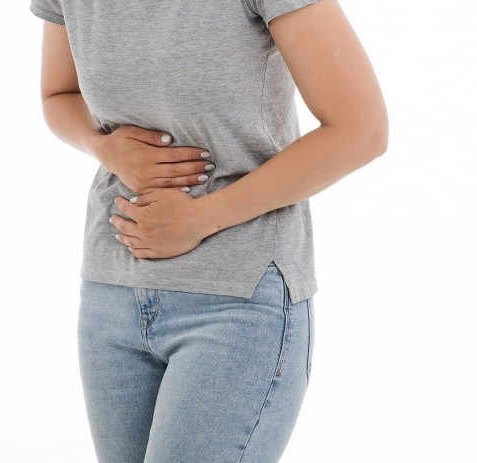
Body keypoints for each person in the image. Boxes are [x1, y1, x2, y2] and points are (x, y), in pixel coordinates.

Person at [30, 0, 387, 460]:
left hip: (236, 298)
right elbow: (58, 94)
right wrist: (103, 147)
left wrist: (203, 217)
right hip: (112, 292)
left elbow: (361, 129)